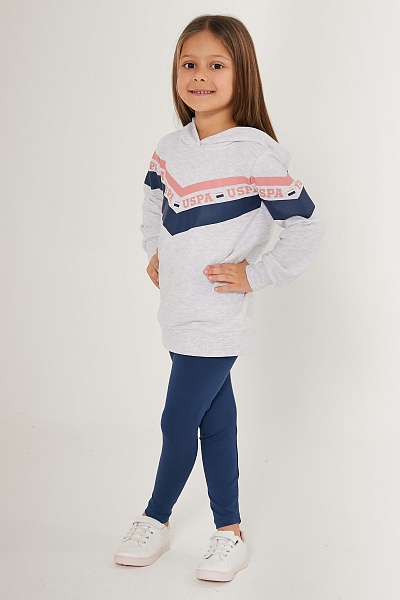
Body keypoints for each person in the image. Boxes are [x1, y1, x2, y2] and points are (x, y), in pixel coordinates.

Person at [114, 14, 325, 582]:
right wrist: (155, 249)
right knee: (215, 419)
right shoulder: (169, 149)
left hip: (220, 314)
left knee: (177, 418)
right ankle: (229, 532)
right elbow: (153, 207)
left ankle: (155, 516)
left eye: (216, 65)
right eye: (189, 64)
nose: (200, 76)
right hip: (177, 311)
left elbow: (305, 224)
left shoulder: (256, 153)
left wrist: (258, 273)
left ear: (242, 73)